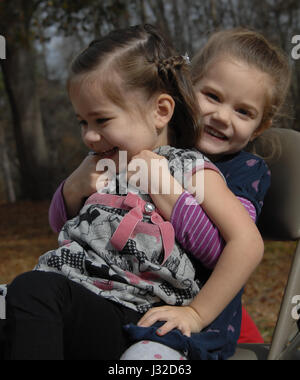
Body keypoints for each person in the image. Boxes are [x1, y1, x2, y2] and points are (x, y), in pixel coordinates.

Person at [3, 24, 263, 360]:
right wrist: (74, 186)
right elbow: (58, 223)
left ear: (161, 111)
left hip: (131, 313)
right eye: (83, 122)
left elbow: (247, 243)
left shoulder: (188, 168)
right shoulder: (100, 162)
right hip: (77, 299)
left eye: (102, 120)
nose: (89, 137)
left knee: (33, 291)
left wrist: (197, 314)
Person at [119, 27, 291, 359]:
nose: (222, 116)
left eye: (243, 112)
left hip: (190, 319)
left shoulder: (245, 173)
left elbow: (222, 250)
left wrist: (163, 188)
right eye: (212, 96)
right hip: (123, 294)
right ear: (187, 88)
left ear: (261, 125)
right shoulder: (158, 142)